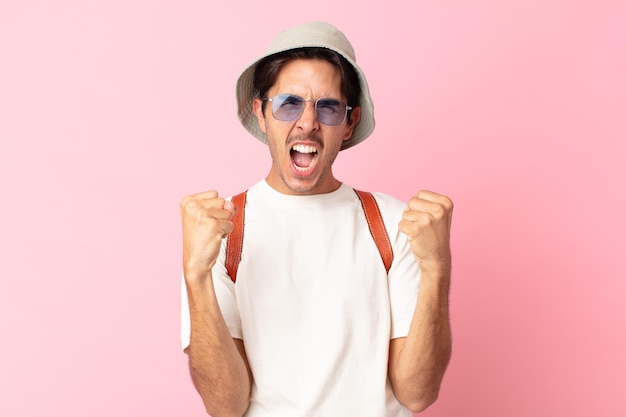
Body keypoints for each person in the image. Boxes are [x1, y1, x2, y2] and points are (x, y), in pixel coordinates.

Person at [180, 21, 453, 417]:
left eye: (327, 107)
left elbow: (418, 393)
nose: (307, 122)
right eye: (289, 103)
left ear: (349, 123)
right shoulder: (220, 231)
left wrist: (437, 268)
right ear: (261, 113)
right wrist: (195, 274)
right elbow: (226, 405)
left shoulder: (396, 224)